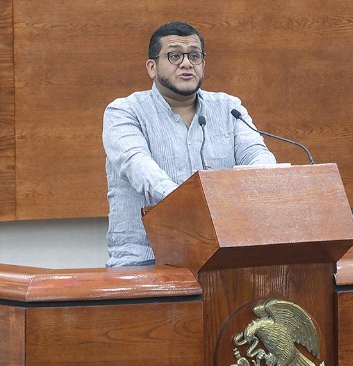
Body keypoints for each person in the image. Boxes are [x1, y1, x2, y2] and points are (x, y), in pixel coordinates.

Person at [103, 22, 276, 267]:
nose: (186, 63)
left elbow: (258, 157)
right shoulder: (124, 112)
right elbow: (141, 169)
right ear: (152, 67)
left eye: (194, 56)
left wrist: (265, 181)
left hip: (223, 255)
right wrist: (201, 208)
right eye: (174, 56)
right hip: (147, 258)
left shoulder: (229, 108)